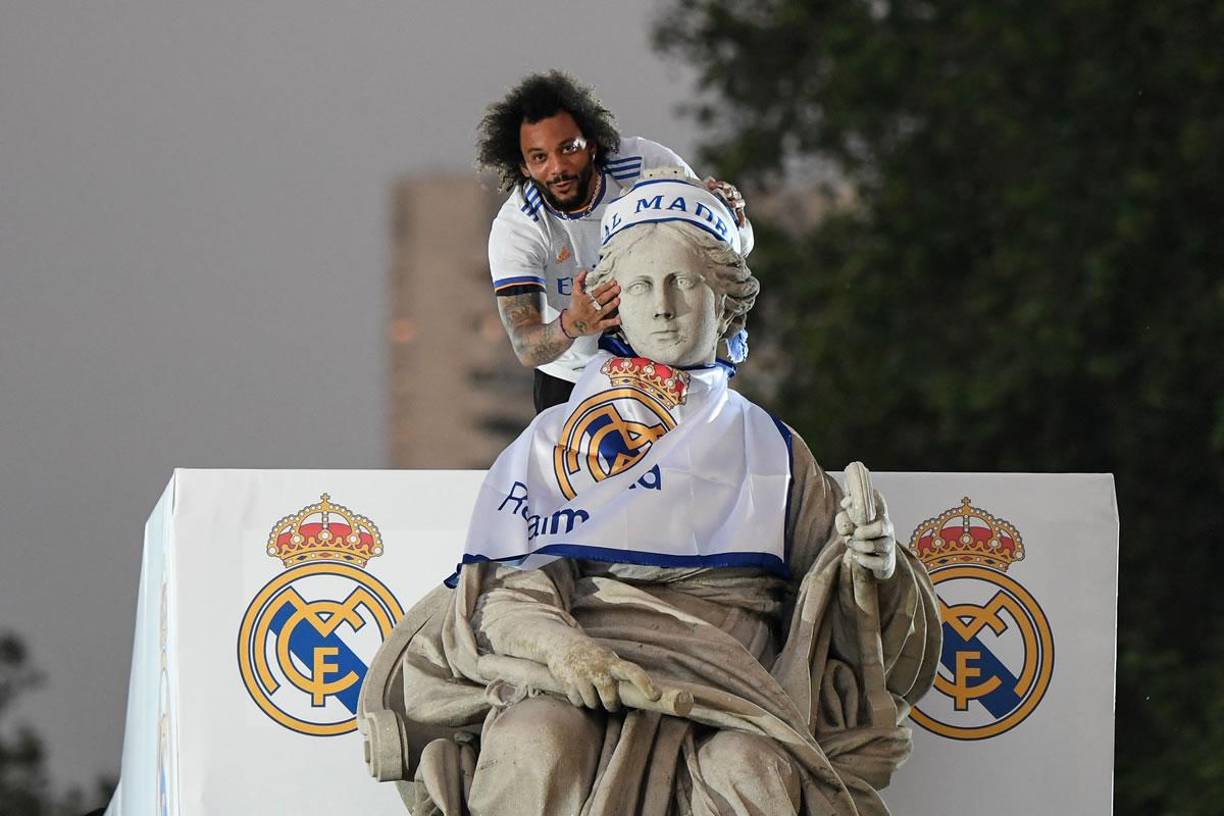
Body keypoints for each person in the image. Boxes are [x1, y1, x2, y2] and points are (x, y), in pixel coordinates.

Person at [359, 173, 939, 815]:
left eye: (683, 282)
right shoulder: (553, 438)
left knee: (753, 770)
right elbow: (508, 592)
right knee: (535, 740)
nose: (662, 306)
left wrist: (872, 565)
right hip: (580, 673)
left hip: (734, 692)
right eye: (639, 286)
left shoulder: (771, 446)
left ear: (725, 303)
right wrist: (565, 652)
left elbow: (838, 602)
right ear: (613, 304)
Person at [477, 70, 754, 412]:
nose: (557, 167)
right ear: (523, 167)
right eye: (539, 157)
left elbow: (727, 250)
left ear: (592, 144)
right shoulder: (518, 228)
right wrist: (572, 324)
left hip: (661, 359)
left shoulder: (646, 165)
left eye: (568, 148)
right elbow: (525, 345)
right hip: (573, 376)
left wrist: (732, 215)